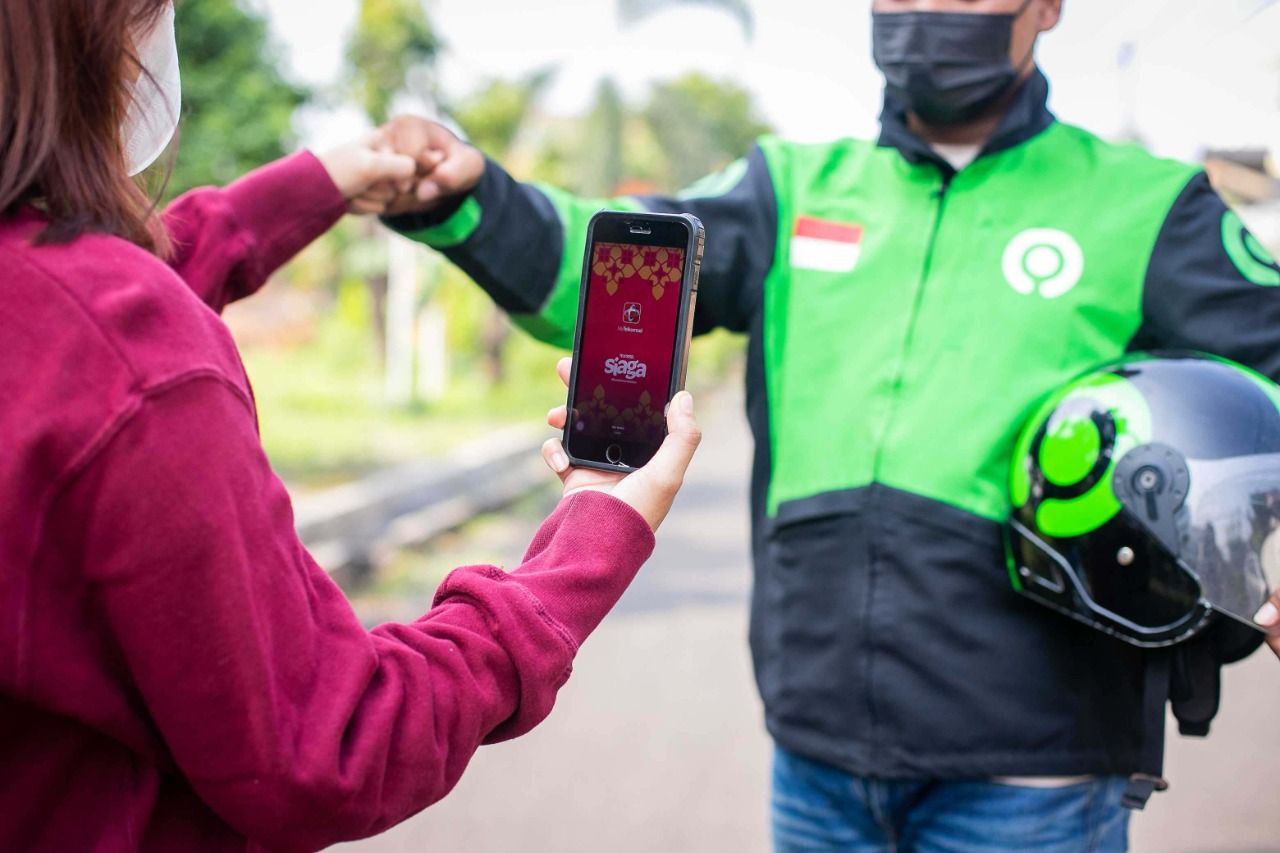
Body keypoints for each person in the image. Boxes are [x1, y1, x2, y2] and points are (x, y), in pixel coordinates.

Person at [376, 0, 1280, 849]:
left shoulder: (1149, 206)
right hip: (816, 757)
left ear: (1046, 6)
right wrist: (469, 198)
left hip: (1037, 771)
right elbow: (608, 267)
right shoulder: (793, 185)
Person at [0, 1, 701, 849]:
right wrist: (584, 549)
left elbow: (69, 316)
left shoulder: (68, 321)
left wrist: (310, 186)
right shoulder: (132, 351)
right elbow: (330, 746)